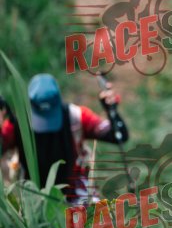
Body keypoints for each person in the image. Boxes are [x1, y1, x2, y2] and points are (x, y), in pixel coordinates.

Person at [0, 74, 129, 204]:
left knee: (93, 212)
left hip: (75, 191)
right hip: (35, 195)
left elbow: (119, 136)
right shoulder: (18, 124)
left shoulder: (77, 117)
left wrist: (112, 112)